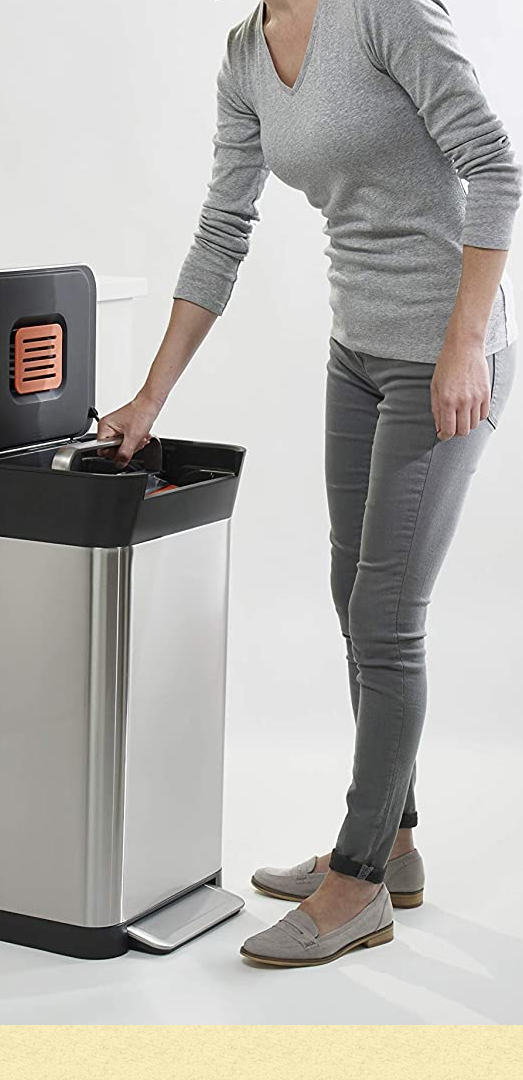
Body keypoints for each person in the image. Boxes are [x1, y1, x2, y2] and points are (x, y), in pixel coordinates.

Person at [98, 0, 520, 967]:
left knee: (386, 615)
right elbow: (222, 230)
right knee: (349, 593)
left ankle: (357, 883)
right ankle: (395, 843)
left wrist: (465, 346)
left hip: (445, 357)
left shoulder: (383, 12)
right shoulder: (245, 55)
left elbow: (496, 165)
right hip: (358, 352)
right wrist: (150, 397)